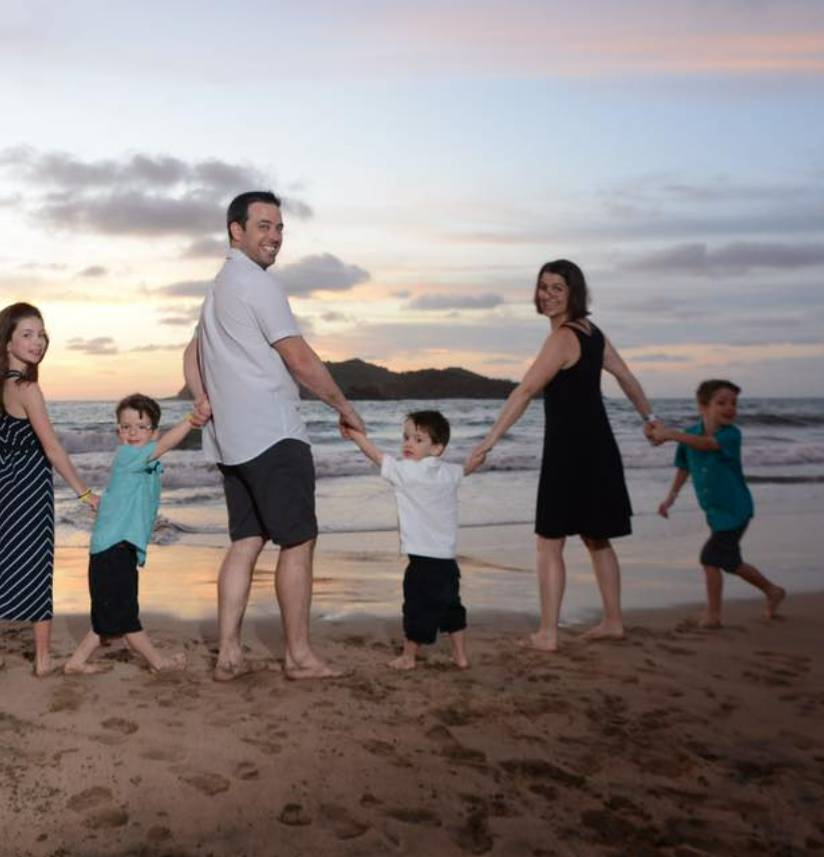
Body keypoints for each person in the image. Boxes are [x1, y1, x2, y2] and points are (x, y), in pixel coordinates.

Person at [183, 190, 365, 681]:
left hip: (232, 441)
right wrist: (343, 406)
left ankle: (228, 655)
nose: (275, 237)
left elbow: (189, 353)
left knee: (246, 541)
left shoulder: (217, 287)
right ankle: (299, 656)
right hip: (272, 435)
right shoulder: (259, 284)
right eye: (264, 226)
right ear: (235, 231)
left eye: (280, 228)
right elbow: (299, 357)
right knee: (299, 541)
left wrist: (204, 399)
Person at [468, 259, 660, 652]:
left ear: (574, 291)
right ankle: (612, 622)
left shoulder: (561, 339)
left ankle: (548, 634)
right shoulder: (593, 334)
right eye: (543, 287)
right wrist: (649, 418)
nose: (548, 295)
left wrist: (489, 440)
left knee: (549, 541)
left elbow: (524, 391)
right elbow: (625, 376)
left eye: (557, 287)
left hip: (570, 452)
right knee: (597, 537)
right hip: (600, 447)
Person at [0, 303, 100, 678]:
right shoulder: (27, 388)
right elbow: (51, 447)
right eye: (27, 334)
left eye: (41, 334)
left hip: (1, 485)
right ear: (6, 342)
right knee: (36, 566)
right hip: (30, 487)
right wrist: (85, 494)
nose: (38, 342)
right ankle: (42, 661)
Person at [63, 394, 205, 675]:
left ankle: (77, 662)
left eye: (141, 427)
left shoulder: (146, 460)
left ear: (153, 432)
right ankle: (158, 663)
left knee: (112, 613)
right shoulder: (128, 456)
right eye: (126, 427)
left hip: (118, 546)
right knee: (125, 616)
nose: (132, 433)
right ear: (118, 431)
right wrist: (192, 419)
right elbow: (165, 445)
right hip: (112, 548)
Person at [343, 410, 479, 670]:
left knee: (416, 608)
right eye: (405, 437)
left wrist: (354, 433)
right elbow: (467, 469)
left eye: (418, 440)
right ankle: (460, 656)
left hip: (422, 562)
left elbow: (374, 455)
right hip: (448, 561)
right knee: (452, 607)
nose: (407, 444)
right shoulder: (449, 472)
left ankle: (408, 657)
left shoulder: (406, 472)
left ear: (436, 448)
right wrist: (479, 454)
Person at [656, 379, 786, 627]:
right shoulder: (690, 434)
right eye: (722, 402)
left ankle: (713, 615)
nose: (730, 408)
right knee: (730, 562)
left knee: (710, 558)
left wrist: (672, 434)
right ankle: (772, 591)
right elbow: (684, 467)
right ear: (702, 406)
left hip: (735, 510)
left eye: (734, 403)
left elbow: (707, 445)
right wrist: (670, 498)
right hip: (715, 512)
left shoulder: (730, 435)